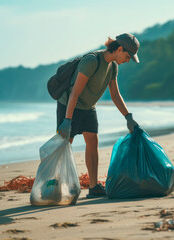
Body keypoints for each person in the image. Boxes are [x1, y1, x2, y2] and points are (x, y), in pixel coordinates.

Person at [56, 33, 140, 198]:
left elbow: (115, 94)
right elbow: (74, 93)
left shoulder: (113, 67)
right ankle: (56, 183)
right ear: (120, 49)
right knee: (65, 144)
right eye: (128, 56)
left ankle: (93, 186)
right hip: (70, 105)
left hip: (88, 106)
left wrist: (128, 117)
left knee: (93, 141)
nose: (128, 60)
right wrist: (67, 120)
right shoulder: (92, 61)